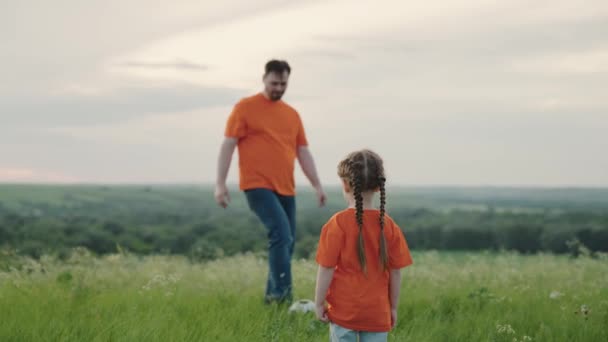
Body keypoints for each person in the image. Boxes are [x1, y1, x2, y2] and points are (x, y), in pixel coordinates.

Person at [215, 59, 326, 304]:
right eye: (274, 83)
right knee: (281, 236)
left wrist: (317, 184)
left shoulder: (292, 115)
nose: (278, 88)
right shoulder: (245, 108)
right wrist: (220, 183)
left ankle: (272, 301)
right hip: (257, 185)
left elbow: (303, 152)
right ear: (264, 79)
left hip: (286, 187)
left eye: (283, 84)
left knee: (286, 243)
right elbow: (228, 144)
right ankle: (284, 299)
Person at [314, 149, 413, 341]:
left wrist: (318, 303)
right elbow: (395, 272)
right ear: (378, 186)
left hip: (344, 312)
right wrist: (392, 307)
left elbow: (326, 268)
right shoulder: (390, 226)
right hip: (377, 313)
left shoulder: (337, 224)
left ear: (345, 184)